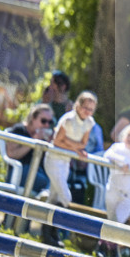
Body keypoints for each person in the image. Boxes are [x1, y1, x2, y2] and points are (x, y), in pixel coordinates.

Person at [41, 91, 97, 246]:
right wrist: (74, 146)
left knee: (54, 197)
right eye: (85, 107)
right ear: (77, 105)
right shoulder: (68, 119)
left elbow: (83, 144)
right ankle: (52, 231)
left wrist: (69, 144)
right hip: (54, 159)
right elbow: (57, 141)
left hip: (65, 161)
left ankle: (48, 234)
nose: (87, 111)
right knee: (66, 197)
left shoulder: (89, 122)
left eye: (90, 109)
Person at [5, 104, 54, 195]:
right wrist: (33, 142)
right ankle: (45, 195)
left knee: (56, 178)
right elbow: (11, 154)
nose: (47, 125)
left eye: (50, 122)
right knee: (46, 182)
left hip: (37, 172)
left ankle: (45, 195)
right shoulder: (19, 130)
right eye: (43, 121)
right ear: (33, 118)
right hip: (18, 172)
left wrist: (49, 144)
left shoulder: (44, 137)